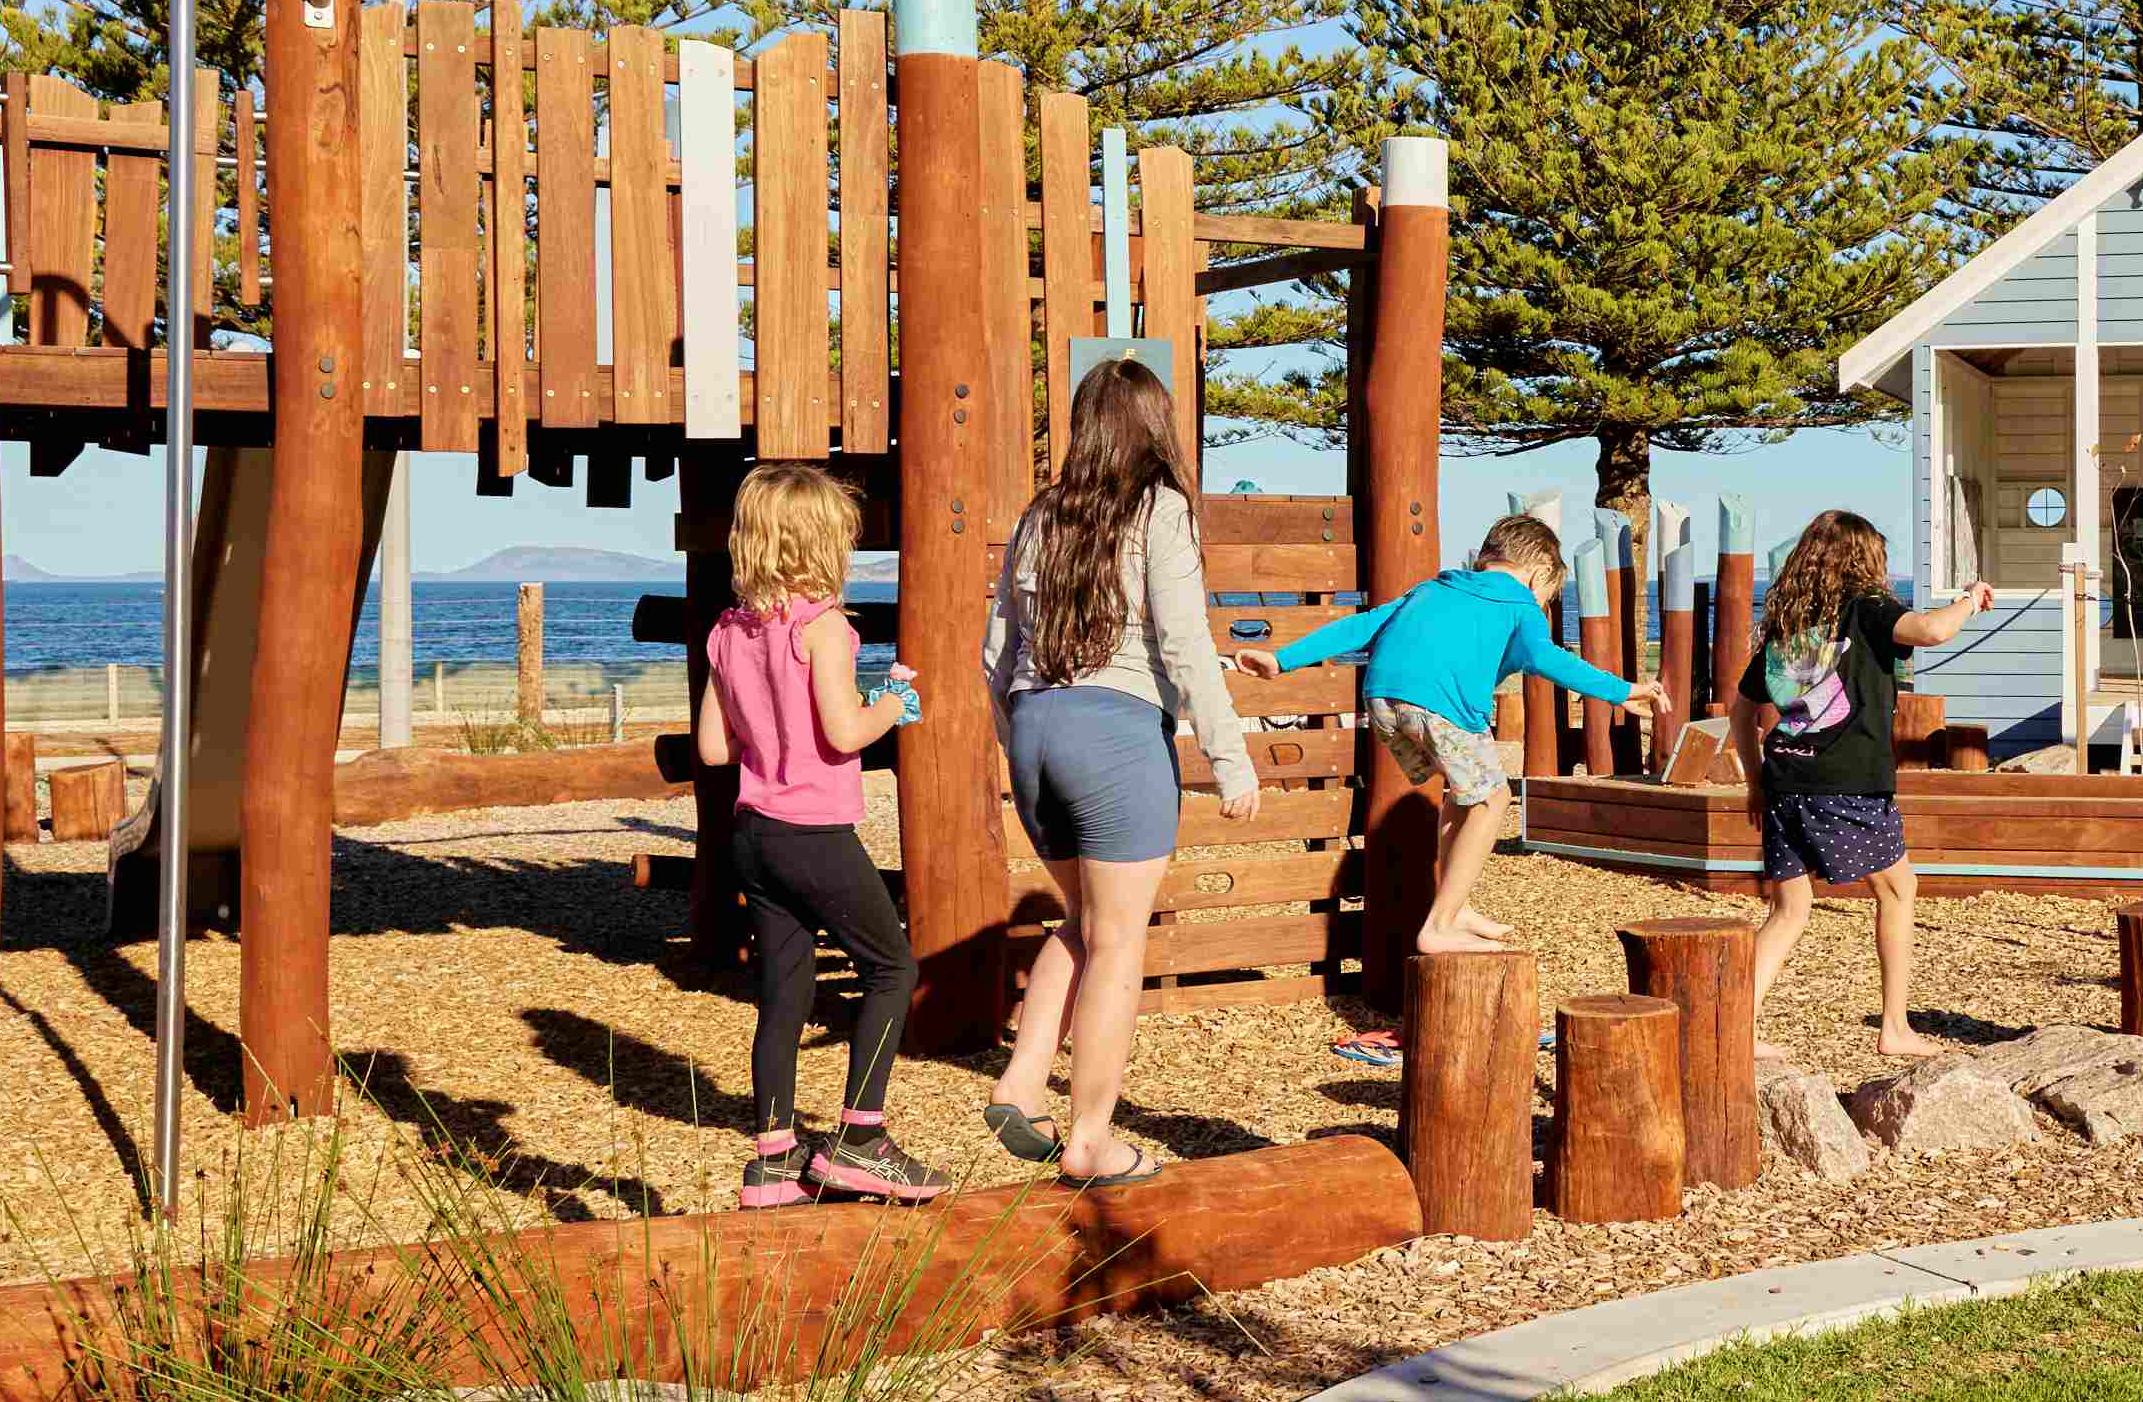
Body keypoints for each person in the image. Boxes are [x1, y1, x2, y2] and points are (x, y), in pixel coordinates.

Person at [981, 357, 1256, 1189]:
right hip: (1116, 736)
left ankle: (1023, 1082)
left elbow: (996, 652)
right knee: (1120, 943)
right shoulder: (1160, 511)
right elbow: (1184, 643)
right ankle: (1090, 1139)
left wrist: (1020, 737)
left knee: (1082, 920)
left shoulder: (1041, 515)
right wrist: (1229, 756)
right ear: (1154, 427)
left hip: (1034, 730)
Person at [1230, 511, 1656, 965]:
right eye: (1549, 595)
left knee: (1465, 793)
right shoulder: (1519, 604)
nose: (1545, 603)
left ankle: (1457, 906)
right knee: (1493, 799)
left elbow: (1359, 626)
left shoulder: (1433, 589)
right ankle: (1439, 925)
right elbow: (1548, 658)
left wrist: (1282, 661)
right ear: (1538, 574)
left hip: (1383, 702)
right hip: (1438, 707)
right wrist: (1622, 690)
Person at [694, 463, 945, 1207]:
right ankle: (862, 1139)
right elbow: (843, 735)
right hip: (814, 833)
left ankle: (774, 1158)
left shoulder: (726, 632)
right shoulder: (826, 628)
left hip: (754, 831)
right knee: (893, 968)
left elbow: (714, 749)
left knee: (785, 987)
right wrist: (893, 703)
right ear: (822, 547)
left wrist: (775, 736)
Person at [1738, 510, 1992, 1062]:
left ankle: (1737, 1023)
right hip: (1845, 783)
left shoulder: (1789, 625)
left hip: (1784, 780)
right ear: (1865, 559)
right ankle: (1895, 1027)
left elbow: (1742, 712)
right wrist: (1971, 597)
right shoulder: (1868, 609)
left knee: (1789, 910)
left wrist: (1754, 781)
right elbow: (1932, 630)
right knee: (1899, 889)